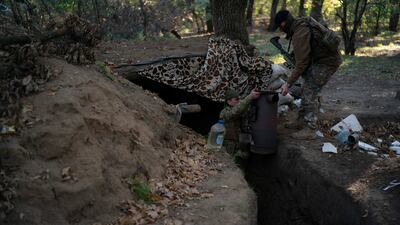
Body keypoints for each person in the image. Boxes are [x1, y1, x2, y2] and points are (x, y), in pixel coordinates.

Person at [273, 10, 342, 138]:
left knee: (309, 90)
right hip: (322, 60)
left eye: (280, 27)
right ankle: (301, 119)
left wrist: (288, 83)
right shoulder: (302, 22)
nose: (281, 30)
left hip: (327, 63)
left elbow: (301, 64)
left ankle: (311, 129)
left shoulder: (299, 33)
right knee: (306, 87)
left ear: (283, 24)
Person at [220, 89, 260, 160]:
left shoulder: (239, 111)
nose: (239, 101)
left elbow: (242, 108)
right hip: (227, 144)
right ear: (229, 101)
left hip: (237, 143)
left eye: (239, 99)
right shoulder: (224, 112)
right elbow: (235, 112)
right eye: (236, 99)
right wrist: (249, 97)